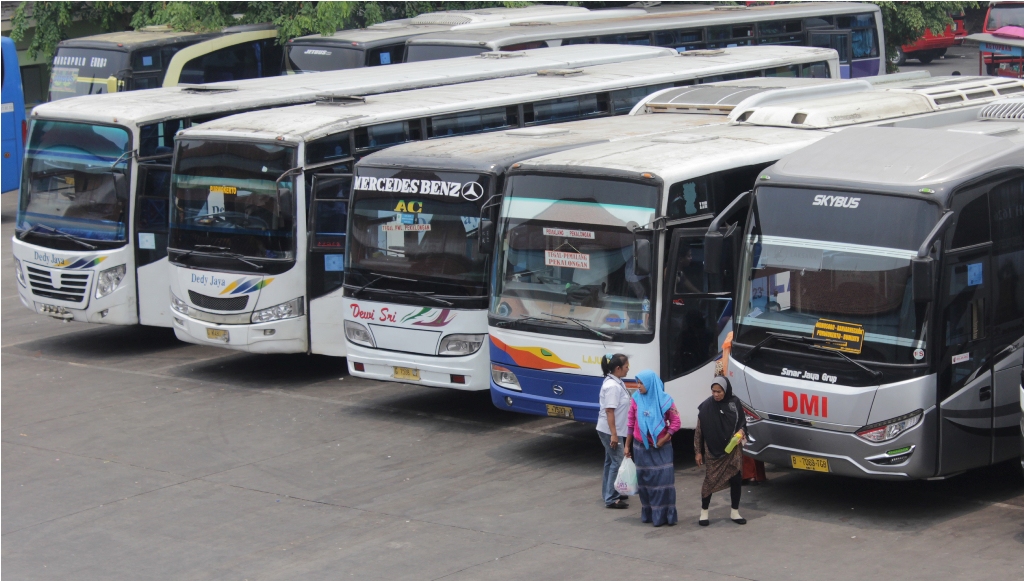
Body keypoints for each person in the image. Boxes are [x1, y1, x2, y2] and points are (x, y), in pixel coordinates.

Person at [624, 370, 680, 526]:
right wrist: (627, 446)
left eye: (641, 383)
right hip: (641, 448)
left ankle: (665, 516)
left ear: (650, 384)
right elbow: (630, 423)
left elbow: (676, 422)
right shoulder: (636, 400)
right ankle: (650, 515)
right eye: (638, 383)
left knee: (663, 482)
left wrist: (664, 438)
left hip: (662, 447)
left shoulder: (666, 400)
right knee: (645, 482)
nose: (638, 386)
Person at [694, 376, 748, 526]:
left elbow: (743, 423)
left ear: (726, 390)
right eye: (713, 391)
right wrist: (698, 451)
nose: (716, 394)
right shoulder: (706, 407)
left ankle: (735, 512)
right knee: (710, 481)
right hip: (713, 450)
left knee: (736, 478)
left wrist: (741, 431)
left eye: (719, 391)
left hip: (732, 449)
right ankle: (704, 513)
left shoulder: (734, 403)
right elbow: (699, 431)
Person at [596, 353, 632, 509]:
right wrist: (614, 435)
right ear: (618, 368)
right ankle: (611, 498)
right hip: (610, 430)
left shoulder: (617, 382)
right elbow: (610, 411)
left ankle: (610, 491)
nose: (628, 369)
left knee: (611, 461)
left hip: (614, 430)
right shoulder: (612, 387)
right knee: (617, 461)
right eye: (626, 367)